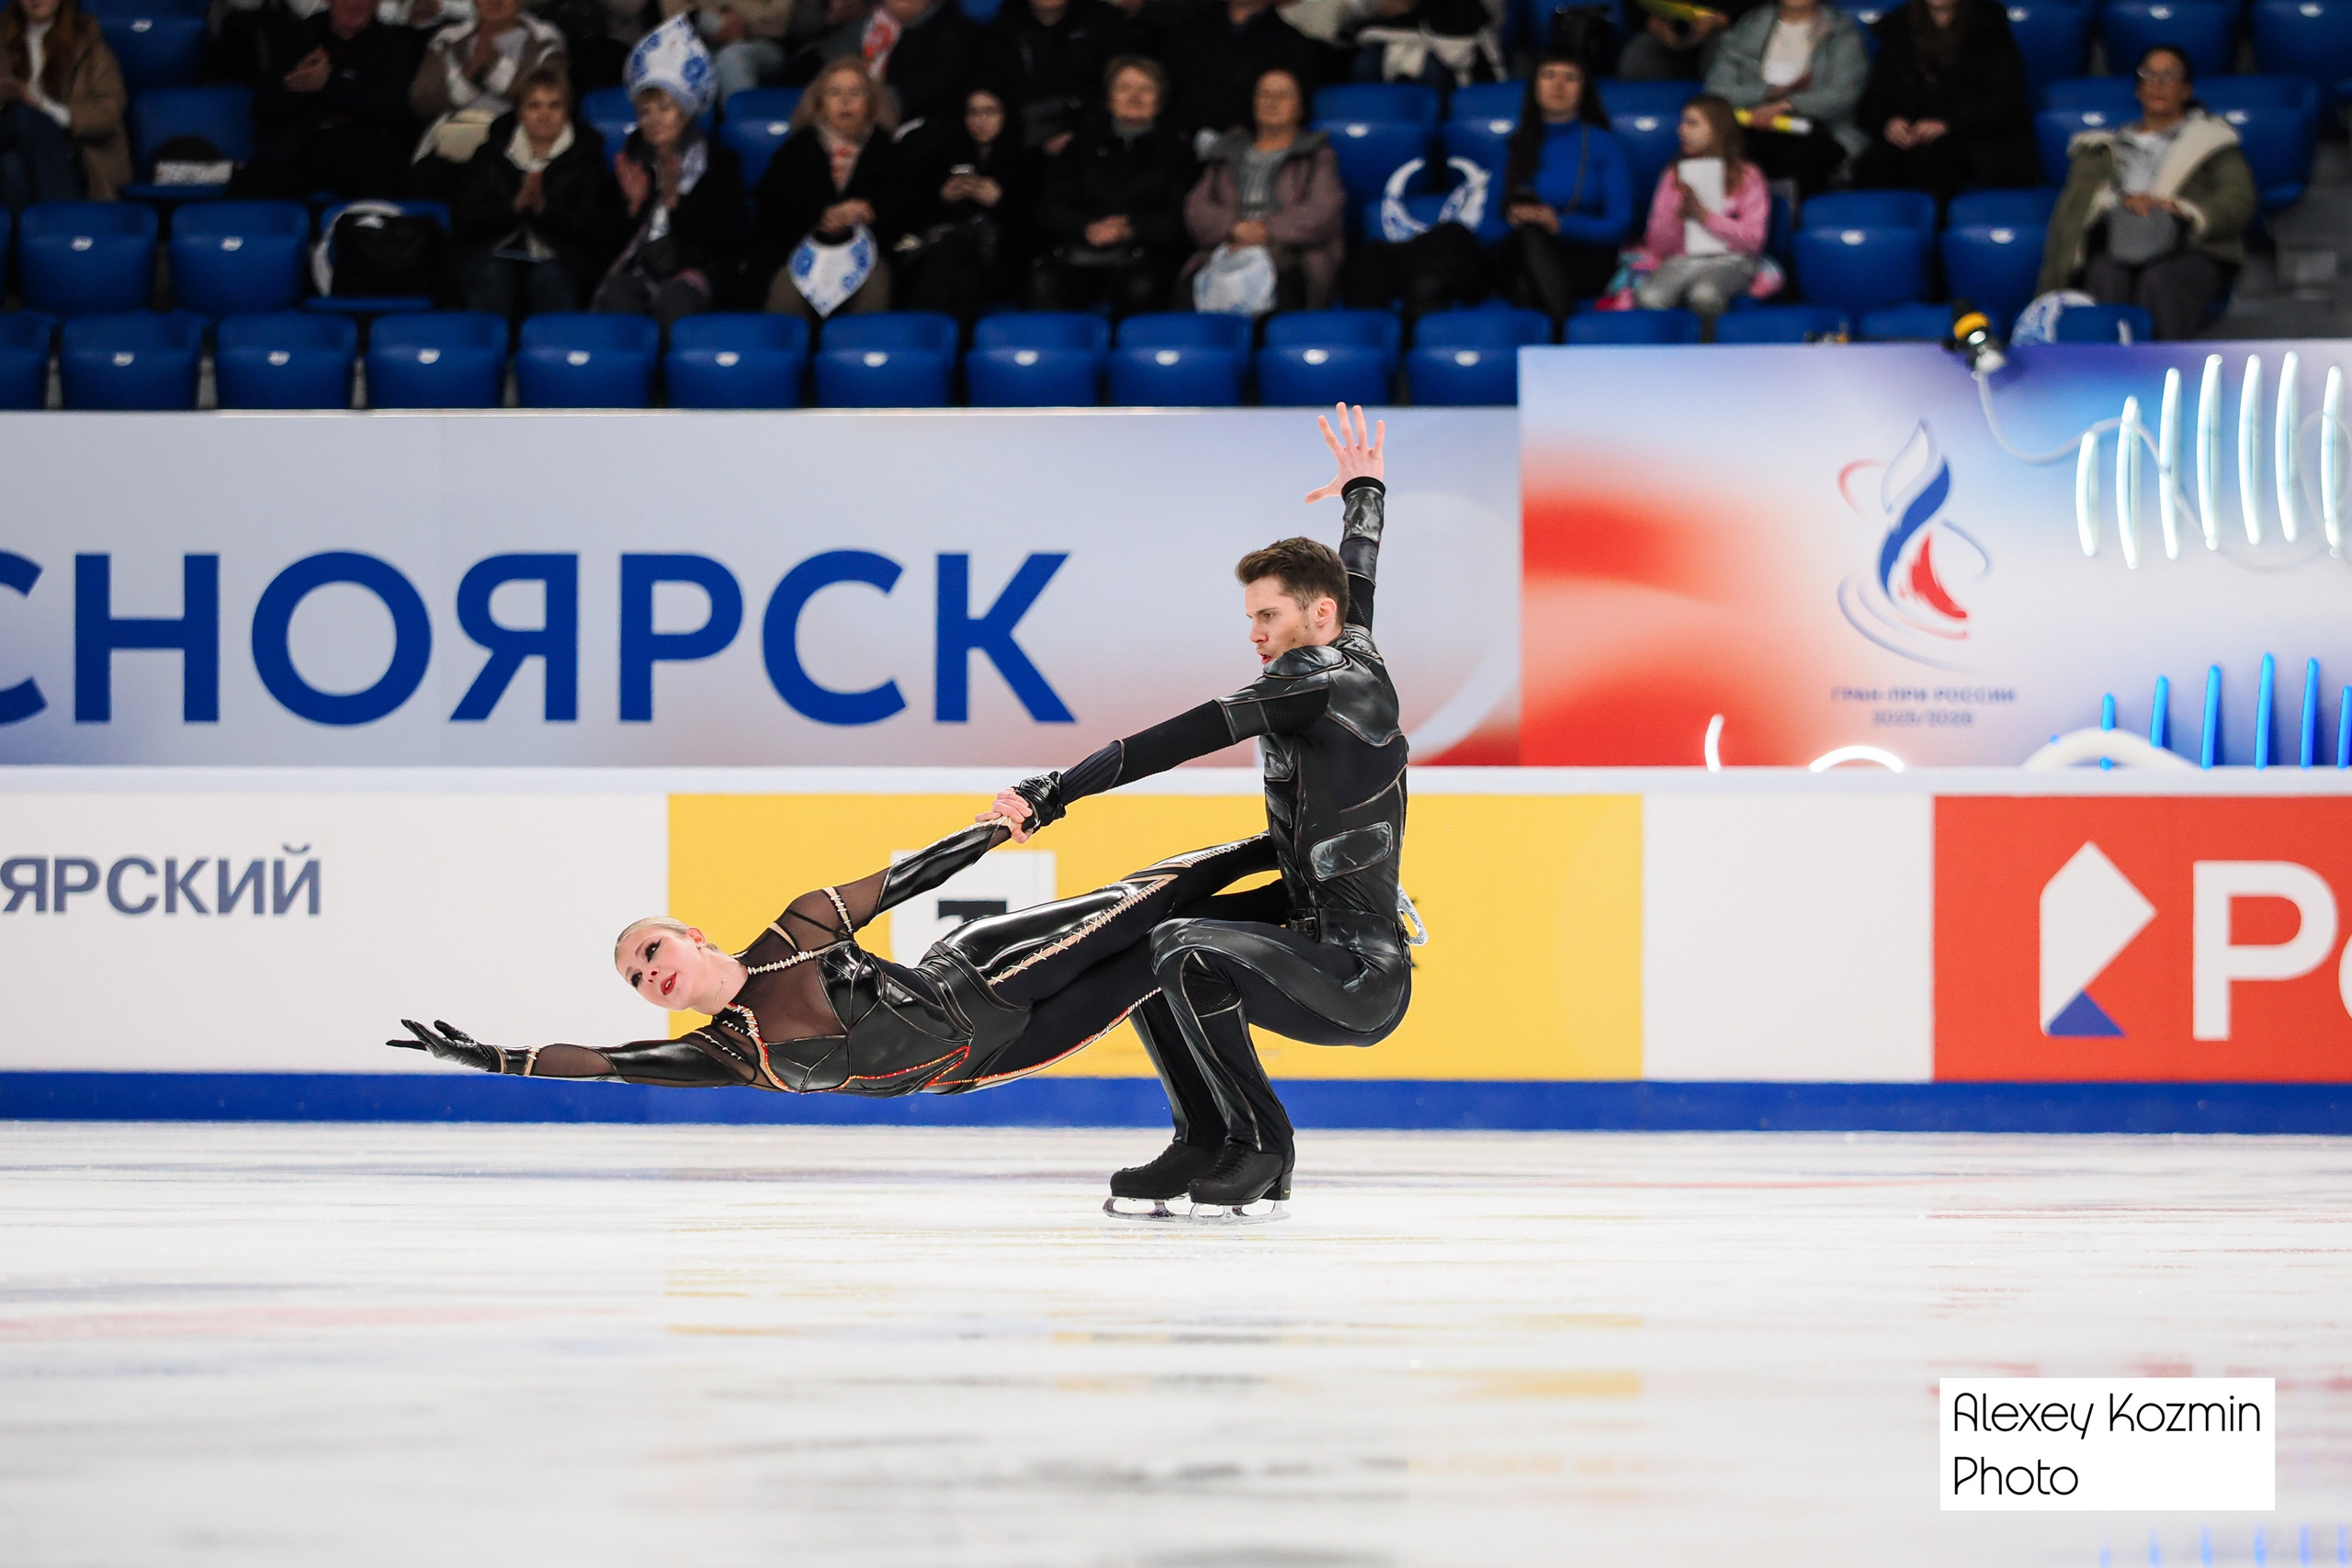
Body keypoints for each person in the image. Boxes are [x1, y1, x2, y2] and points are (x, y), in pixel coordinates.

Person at [989, 405, 1413, 1214]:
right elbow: (1359, 566)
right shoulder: (1352, 645)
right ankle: (1202, 1137)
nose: (1254, 632)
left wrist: (1054, 792)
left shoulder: (1310, 680)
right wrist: (1364, 489)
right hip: (1310, 943)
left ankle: (1263, 1143)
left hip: (1358, 975)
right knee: (1150, 943)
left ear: (1316, 617)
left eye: (1267, 615)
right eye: (1251, 617)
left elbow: (1176, 738)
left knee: (1182, 945)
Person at [390, 822, 1285, 1127]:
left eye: (650, 952)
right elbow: (604, 1063)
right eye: (633, 977)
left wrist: (1001, 824)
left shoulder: (800, 928)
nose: (647, 975)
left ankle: (1286, 844)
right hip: (990, 1057)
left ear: (690, 936)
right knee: (1162, 956)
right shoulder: (726, 1053)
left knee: (1144, 900)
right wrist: (492, 1058)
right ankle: (1302, 904)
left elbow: (908, 878)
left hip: (978, 977)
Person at [2035, 44, 2254, 343]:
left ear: (2186, 89)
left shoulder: (2213, 144)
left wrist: (2180, 210)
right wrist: (2118, 203)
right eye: (2149, 75)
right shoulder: (2102, 149)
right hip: (2116, 245)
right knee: (2104, 274)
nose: (2158, 84)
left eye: (2169, 75)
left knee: (2160, 281)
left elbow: (2238, 199)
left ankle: (2164, 367)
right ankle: (2108, 367)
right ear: (2138, 89)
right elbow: (2072, 211)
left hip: (2190, 249)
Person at [592, 17, 748, 329]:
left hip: (698, 271)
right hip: (638, 270)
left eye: (664, 109)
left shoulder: (719, 163)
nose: (654, 120)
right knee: (619, 294)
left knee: (676, 298)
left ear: (685, 113)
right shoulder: (631, 162)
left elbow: (731, 239)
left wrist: (678, 203)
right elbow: (599, 246)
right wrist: (632, 208)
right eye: (645, 112)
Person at [1028, 54, 1194, 317]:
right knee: (1043, 280)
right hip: (1081, 250)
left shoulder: (1177, 153)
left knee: (1141, 287)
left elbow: (1178, 219)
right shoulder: (1080, 147)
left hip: (1145, 254)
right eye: (1124, 88)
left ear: (1160, 100)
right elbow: (1051, 208)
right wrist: (1088, 227)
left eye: (1145, 89)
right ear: (1108, 98)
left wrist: (1130, 230)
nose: (1134, 96)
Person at [449, 67, 620, 321]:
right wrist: (513, 206)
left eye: (554, 106)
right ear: (520, 112)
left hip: (560, 257)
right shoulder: (491, 153)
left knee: (551, 278)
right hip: (493, 251)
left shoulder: (587, 157)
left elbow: (592, 228)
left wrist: (544, 209)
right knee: (490, 273)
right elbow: (464, 218)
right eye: (534, 106)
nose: (544, 115)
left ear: (567, 111)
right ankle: (485, 346)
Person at [752, 53, 904, 320]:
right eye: (834, 93)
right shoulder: (795, 151)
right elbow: (771, 209)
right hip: (801, 251)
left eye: (855, 93)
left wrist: (869, 213)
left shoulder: (889, 153)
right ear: (820, 103)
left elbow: (907, 212)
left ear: (871, 103)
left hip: (870, 254)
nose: (845, 102)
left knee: (875, 284)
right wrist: (820, 218)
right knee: (786, 290)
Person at [1180, 66, 1342, 312]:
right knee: (1183, 301)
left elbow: (1322, 211)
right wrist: (1234, 228)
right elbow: (1196, 208)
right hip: (1225, 251)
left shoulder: (1316, 155)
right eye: (1265, 95)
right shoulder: (1225, 151)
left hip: (1289, 257)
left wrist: (1265, 231)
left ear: (1299, 107)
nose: (1272, 102)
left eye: (1282, 96)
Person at [1851, 0, 2034, 209]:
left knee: (1934, 162)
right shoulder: (1898, 27)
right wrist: (1890, 122)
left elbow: (2005, 100)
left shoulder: (1990, 27)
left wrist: (1947, 124)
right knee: (1873, 165)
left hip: (1972, 138)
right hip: (1910, 137)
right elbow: (1876, 96)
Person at [1494, 51, 1632, 322]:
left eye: (1570, 78)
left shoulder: (1604, 144)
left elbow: (1620, 224)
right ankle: (1562, 327)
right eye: (1549, 76)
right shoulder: (1512, 147)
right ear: (1535, 85)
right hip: (1519, 253)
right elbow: (1487, 229)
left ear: (1584, 89)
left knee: (1526, 283)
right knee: (1529, 239)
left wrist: (1558, 224)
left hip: (1584, 259)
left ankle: (1553, 329)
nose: (1558, 85)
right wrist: (1517, 220)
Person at [237, 0, 424, 200]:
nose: (354, 4)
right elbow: (264, 107)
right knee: (250, 191)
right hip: (299, 146)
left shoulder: (397, 41)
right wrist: (298, 84)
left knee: (382, 185)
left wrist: (329, 83)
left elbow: (394, 108)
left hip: (366, 149)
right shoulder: (302, 35)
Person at [897, 84, 1041, 319]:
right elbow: (914, 213)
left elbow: (1035, 225)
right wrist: (943, 198)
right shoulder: (942, 157)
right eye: (973, 113)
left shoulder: (1029, 160)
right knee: (962, 274)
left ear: (1006, 114)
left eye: (989, 112)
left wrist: (1000, 201)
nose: (980, 121)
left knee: (958, 264)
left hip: (1003, 257)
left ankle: (922, 331)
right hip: (946, 254)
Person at [1703, 0, 1866, 200]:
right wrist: (1769, 94)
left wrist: (1788, 104)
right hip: (1752, 123)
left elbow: (1842, 95)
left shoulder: (1840, 32)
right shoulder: (1751, 26)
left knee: (1802, 157)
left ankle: (1793, 216)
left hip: (1819, 129)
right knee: (1726, 148)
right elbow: (1717, 88)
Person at [1634, 93, 1768, 328]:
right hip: (1681, 260)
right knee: (1650, 297)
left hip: (1732, 261)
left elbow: (1754, 240)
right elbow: (1658, 245)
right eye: (1683, 122)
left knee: (1705, 294)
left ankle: (1708, 348)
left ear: (1717, 129)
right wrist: (1676, 214)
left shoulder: (1748, 176)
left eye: (1692, 123)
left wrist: (1705, 216)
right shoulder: (1672, 176)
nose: (1681, 130)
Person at [0, 0, 127, 206]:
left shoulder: (89, 46)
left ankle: (33, 224)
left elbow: (109, 114)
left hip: (71, 150)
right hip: (9, 130)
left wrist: (47, 109)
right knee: (24, 119)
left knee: (12, 165)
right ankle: (61, 218)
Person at [408, 0, 566, 163]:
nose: (494, 1)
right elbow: (421, 101)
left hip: (514, 145)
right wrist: (469, 75)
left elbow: (547, 96)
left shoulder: (544, 39)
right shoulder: (448, 39)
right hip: (452, 139)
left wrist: (493, 65)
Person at [1159, 0, 1325, 146]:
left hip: (1252, 155)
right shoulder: (1187, 32)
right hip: (1180, 150)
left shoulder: (1294, 46)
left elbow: (1291, 116)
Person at [982, 0, 1132, 154]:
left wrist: (1082, 131)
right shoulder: (1004, 27)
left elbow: (1120, 82)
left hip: (1093, 136)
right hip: (1019, 139)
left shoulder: (1102, 21)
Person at [812, 0, 978, 138]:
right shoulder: (869, 23)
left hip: (916, 129)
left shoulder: (953, 32)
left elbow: (932, 87)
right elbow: (822, 62)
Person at [1617, 0, 1765, 83]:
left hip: (1726, 32)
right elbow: (1634, 8)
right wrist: (1654, 24)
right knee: (1639, 57)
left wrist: (1720, 20)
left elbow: (1763, 9)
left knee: (1723, 52)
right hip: (1669, 32)